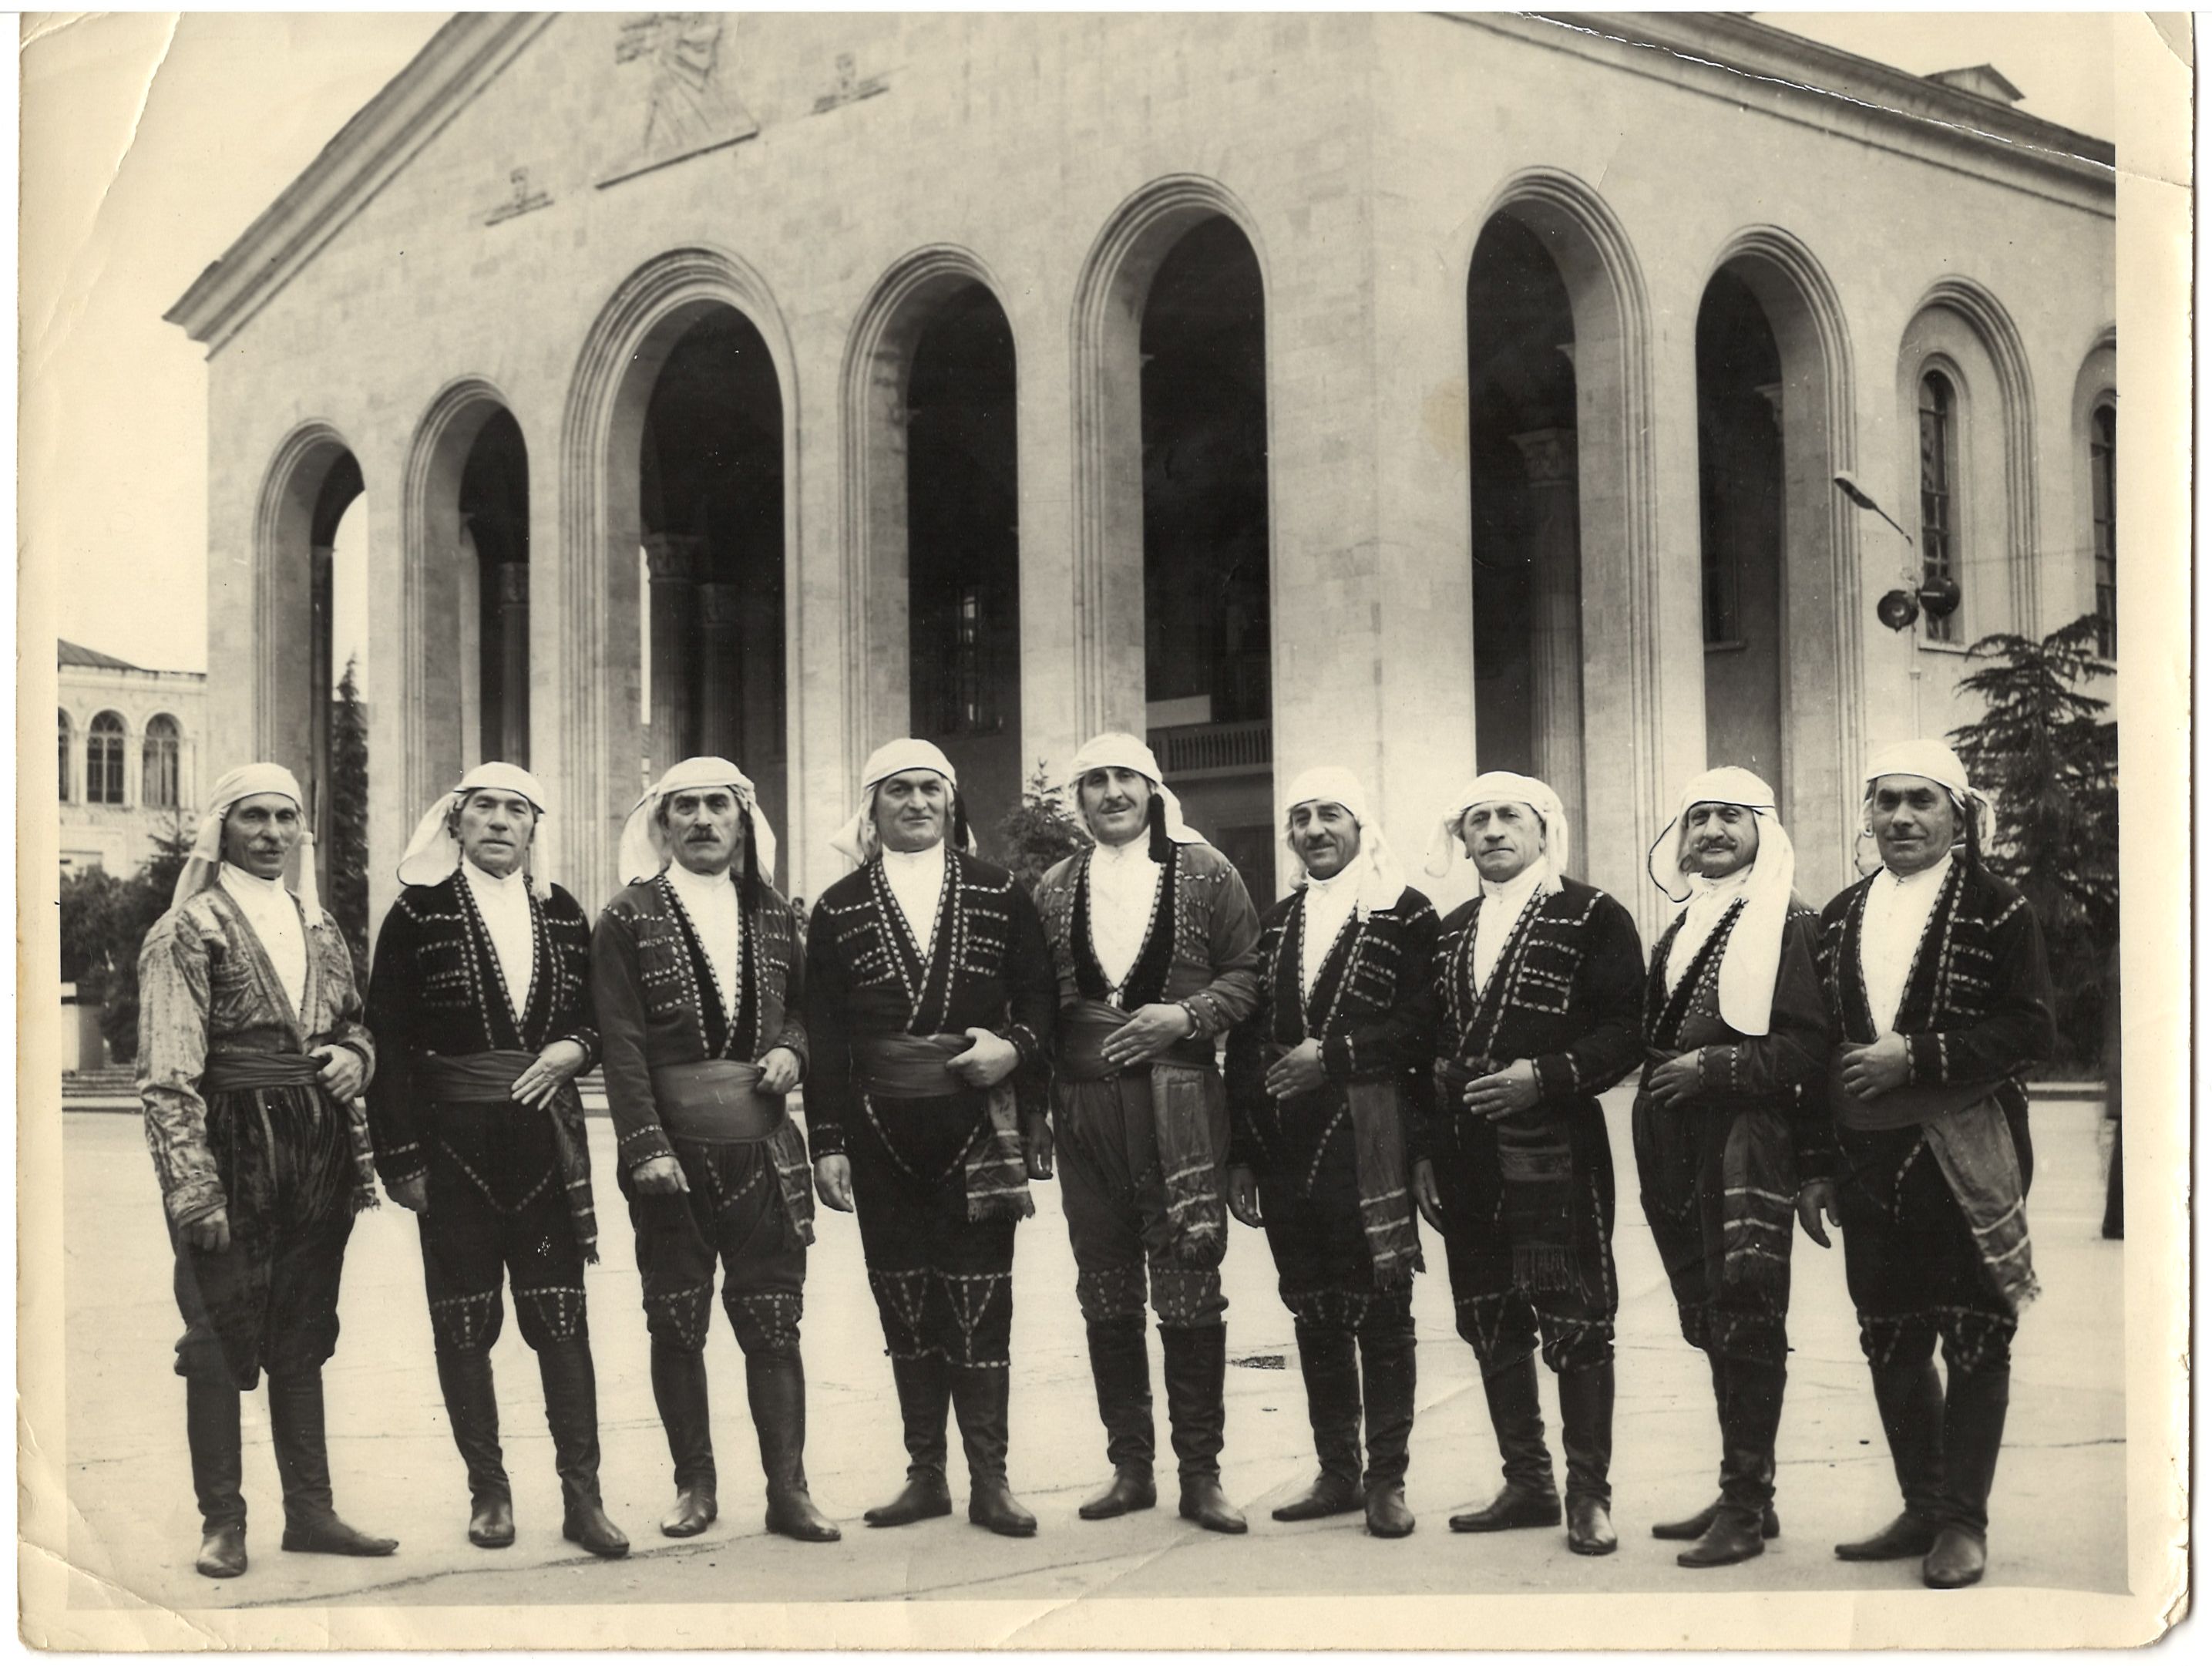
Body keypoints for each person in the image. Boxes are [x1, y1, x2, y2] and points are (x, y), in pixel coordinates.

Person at [1801, 739, 2053, 1590]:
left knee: (1974, 1335)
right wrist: (1815, 1165)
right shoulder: (1839, 914)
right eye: (1887, 801)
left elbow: (2032, 1030)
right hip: (1865, 1160)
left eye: (1921, 800)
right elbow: (1818, 1051)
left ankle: (1962, 1523)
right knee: (1890, 1337)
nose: (1902, 817)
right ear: (1868, 814)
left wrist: (1914, 1055)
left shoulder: (1997, 908)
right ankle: (1921, 1503)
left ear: (1959, 814)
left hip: (1966, 1151)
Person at [136, 762, 396, 1579]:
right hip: (231, 1148)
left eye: (286, 818)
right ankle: (223, 1522)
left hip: (318, 1154)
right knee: (216, 1338)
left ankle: (311, 1512)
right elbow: (167, 1075)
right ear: (222, 828)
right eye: (254, 816)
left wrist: (356, 1056)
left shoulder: (320, 925)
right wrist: (193, 1188)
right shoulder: (188, 929)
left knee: (303, 1334)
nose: (272, 833)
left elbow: (356, 1023)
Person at [364, 763, 627, 1558]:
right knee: (464, 1324)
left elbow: (598, 1013)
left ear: (534, 827)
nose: (500, 821)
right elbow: (388, 1040)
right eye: (484, 807)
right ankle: (489, 1492)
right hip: (453, 1148)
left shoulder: (563, 912)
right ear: (456, 821)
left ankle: (583, 1499)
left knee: (562, 1320)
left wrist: (575, 1046)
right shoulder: (417, 913)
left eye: (517, 809)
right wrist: (400, 1158)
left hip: (544, 1149)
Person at [804, 739, 1056, 1537]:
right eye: (898, 791)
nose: (916, 802)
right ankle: (925, 1474)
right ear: (871, 808)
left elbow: (1040, 999)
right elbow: (826, 1034)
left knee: (980, 1301)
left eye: (929, 789)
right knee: (904, 1300)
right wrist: (827, 1140)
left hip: (974, 1126)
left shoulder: (999, 892)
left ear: (951, 802)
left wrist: (1013, 1049)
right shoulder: (837, 907)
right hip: (878, 1130)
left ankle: (991, 1479)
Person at [592, 758, 838, 1544]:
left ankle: (788, 1490)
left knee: (774, 1321)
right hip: (672, 1156)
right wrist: (644, 1146)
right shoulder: (626, 916)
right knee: (677, 1321)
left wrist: (793, 1048)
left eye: (718, 806)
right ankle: (694, 1485)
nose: (703, 819)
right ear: (662, 824)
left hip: (763, 1152)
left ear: (742, 821)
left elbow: (806, 1009)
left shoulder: (775, 914)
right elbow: (621, 1043)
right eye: (686, 807)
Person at [1031, 732, 1262, 1535]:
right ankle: (1130, 1468)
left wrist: (1187, 1016)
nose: (1111, 792)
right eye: (1094, 781)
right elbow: (1032, 1003)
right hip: (1084, 1111)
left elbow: (1249, 973)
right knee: (1104, 1287)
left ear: (1152, 788)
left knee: (1190, 1282)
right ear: (1079, 800)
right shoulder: (1054, 885)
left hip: (1182, 1108)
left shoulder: (1209, 872)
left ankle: (1201, 1475)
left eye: (1125, 777)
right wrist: (1035, 1112)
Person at [1413, 772, 1643, 1557]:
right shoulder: (1450, 930)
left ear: (1543, 829)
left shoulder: (1592, 914)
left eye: (1509, 815)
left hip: (1557, 1149)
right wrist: (1422, 1150)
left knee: (1575, 1317)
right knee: (1489, 1316)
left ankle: (1588, 1494)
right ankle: (1527, 1482)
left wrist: (1543, 1077)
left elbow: (1626, 1028)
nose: (1491, 830)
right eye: (1475, 819)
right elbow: (1425, 1050)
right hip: (1464, 1152)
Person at [1224, 766, 1437, 1538]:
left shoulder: (1406, 912)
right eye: (1301, 817)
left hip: (1368, 1138)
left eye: (1330, 815)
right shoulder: (1277, 921)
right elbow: (1248, 1041)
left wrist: (1335, 1055)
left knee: (1382, 1312)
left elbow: (1425, 1024)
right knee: (1313, 1311)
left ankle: (1387, 1481)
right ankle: (1337, 1472)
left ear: (1360, 826)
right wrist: (1241, 1151)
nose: (1314, 829)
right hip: (1285, 1144)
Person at [1630, 768, 1830, 1567]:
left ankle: (1743, 1507)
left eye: (1729, 817)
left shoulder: (1790, 920)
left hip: (1746, 1139)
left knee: (1747, 1315)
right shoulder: (1683, 923)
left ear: (1762, 831)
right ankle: (1748, 1491)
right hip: (1675, 1143)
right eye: (1697, 817)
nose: (1711, 830)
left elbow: (1808, 1046)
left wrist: (1711, 1070)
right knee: (1710, 1314)